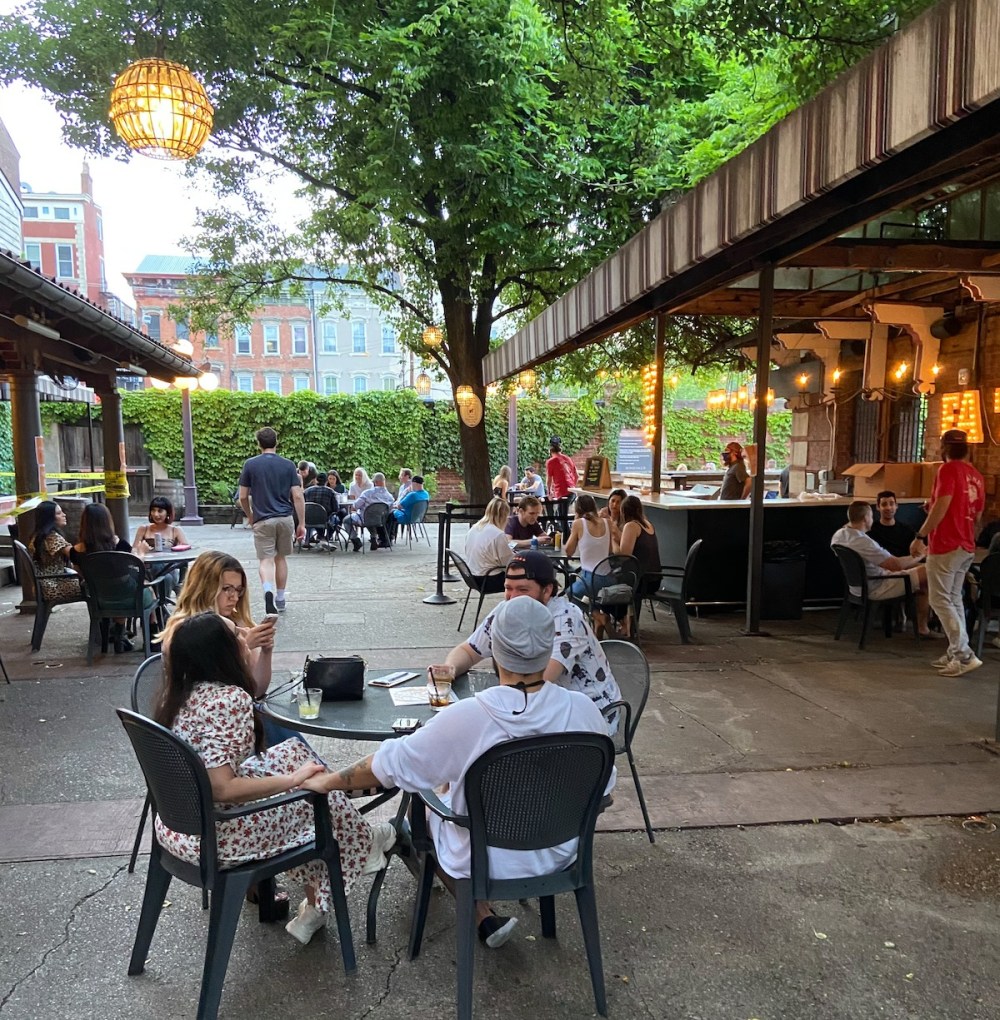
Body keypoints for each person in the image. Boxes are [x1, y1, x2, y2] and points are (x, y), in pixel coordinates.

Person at [302, 596, 615, 948]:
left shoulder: (470, 716)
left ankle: (407, 843)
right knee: (446, 790)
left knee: (424, 807)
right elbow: (605, 789)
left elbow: (387, 766)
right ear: (549, 648)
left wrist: (326, 782)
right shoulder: (585, 711)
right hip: (561, 851)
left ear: (494, 648)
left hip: (484, 858)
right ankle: (480, 913)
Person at [152, 613, 396, 946]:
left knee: (295, 754)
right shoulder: (228, 700)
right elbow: (223, 787)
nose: (244, 635)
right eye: (236, 633)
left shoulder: (180, 693)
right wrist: (291, 781)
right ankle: (363, 845)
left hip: (177, 826)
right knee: (315, 795)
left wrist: (295, 774)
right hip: (219, 835)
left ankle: (323, 896)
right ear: (219, 652)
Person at [446, 551, 620, 724]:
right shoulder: (508, 609)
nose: (512, 597)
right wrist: (448, 670)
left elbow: (537, 682)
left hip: (593, 719)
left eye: (522, 589)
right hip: (545, 710)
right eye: (508, 588)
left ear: (547, 591)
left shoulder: (567, 618)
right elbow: (468, 651)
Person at [911, 429, 985, 676]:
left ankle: (964, 654)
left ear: (944, 448)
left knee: (939, 599)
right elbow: (976, 515)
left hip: (946, 543)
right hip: (966, 545)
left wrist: (921, 536)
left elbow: (943, 505)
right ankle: (956, 653)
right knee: (953, 600)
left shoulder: (948, 469)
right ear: (967, 448)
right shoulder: (976, 476)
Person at [831, 500, 934, 636]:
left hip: (857, 587)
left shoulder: (839, 535)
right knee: (931, 570)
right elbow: (896, 566)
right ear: (866, 518)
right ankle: (926, 626)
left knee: (922, 576)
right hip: (878, 585)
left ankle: (912, 621)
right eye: (871, 516)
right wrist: (921, 554)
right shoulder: (863, 541)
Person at [238, 426, 305, 615]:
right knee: (281, 558)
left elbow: (243, 496)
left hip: (263, 519)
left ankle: (268, 591)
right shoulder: (288, 465)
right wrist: (302, 523)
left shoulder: (250, 464)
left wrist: (250, 515)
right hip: (285, 518)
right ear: (276, 442)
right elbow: (297, 496)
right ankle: (281, 598)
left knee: (266, 560)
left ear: (258, 443)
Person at [73, 502, 145, 653]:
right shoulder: (120, 544)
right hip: (127, 596)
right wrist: (142, 552)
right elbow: (137, 565)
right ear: (107, 521)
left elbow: (80, 573)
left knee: (114, 589)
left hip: (100, 598)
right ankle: (145, 636)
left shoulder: (77, 551)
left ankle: (119, 634)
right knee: (149, 590)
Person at [615, 495, 662, 631]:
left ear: (624, 511)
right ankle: (626, 622)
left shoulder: (631, 526)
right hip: (654, 578)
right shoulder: (647, 524)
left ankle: (623, 622)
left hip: (641, 581)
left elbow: (624, 555)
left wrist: (612, 540)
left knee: (609, 581)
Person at [565, 494, 615, 605]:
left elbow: (569, 551)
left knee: (569, 593)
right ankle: (597, 613)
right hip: (609, 578)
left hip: (590, 578)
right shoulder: (608, 522)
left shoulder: (578, 523)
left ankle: (596, 615)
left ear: (577, 509)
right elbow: (610, 550)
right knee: (592, 597)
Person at [28, 500, 82, 601]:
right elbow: (75, 555)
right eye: (59, 513)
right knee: (93, 586)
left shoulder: (38, 535)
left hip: (44, 585)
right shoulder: (52, 538)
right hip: (53, 587)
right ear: (49, 518)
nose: (64, 515)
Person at [462, 497, 514, 593]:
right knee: (526, 577)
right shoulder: (498, 534)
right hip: (489, 580)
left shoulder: (474, 528)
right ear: (504, 516)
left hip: (472, 578)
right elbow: (508, 563)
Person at [346, 472, 395, 551]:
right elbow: (389, 510)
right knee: (371, 517)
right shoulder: (390, 497)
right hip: (380, 521)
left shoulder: (367, 493)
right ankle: (373, 538)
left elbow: (355, 506)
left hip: (364, 519)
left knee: (346, 520)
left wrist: (355, 508)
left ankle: (355, 540)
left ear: (375, 482)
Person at [868, 491, 917, 558]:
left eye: (891, 504)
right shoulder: (870, 531)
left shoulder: (907, 530)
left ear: (896, 506)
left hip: (906, 566)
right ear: (878, 507)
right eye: (884, 504)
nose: (888, 508)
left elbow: (916, 553)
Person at [545, 440, 579, 537]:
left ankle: (567, 539)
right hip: (572, 491)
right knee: (560, 514)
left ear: (550, 451)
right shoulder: (568, 459)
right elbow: (577, 476)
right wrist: (572, 487)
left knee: (561, 517)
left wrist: (549, 492)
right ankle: (563, 535)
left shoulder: (551, 461)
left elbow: (549, 480)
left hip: (562, 491)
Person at [388, 474, 430, 541]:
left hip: (407, 518)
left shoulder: (412, 495)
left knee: (391, 514)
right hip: (418, 518)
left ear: (414, 483)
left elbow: (399, 506)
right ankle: (391, 537)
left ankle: (389, 538)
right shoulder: (426, 494)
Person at [303, 471, 338, 548]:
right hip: (324, 519)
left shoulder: (307, 491)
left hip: (308, 519)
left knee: (314, 515)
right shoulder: (330, 492)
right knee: (336, 519)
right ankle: (325, 538)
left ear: (316, 480)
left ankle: (315, 538)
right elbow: (335, 508)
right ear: (326, 481)